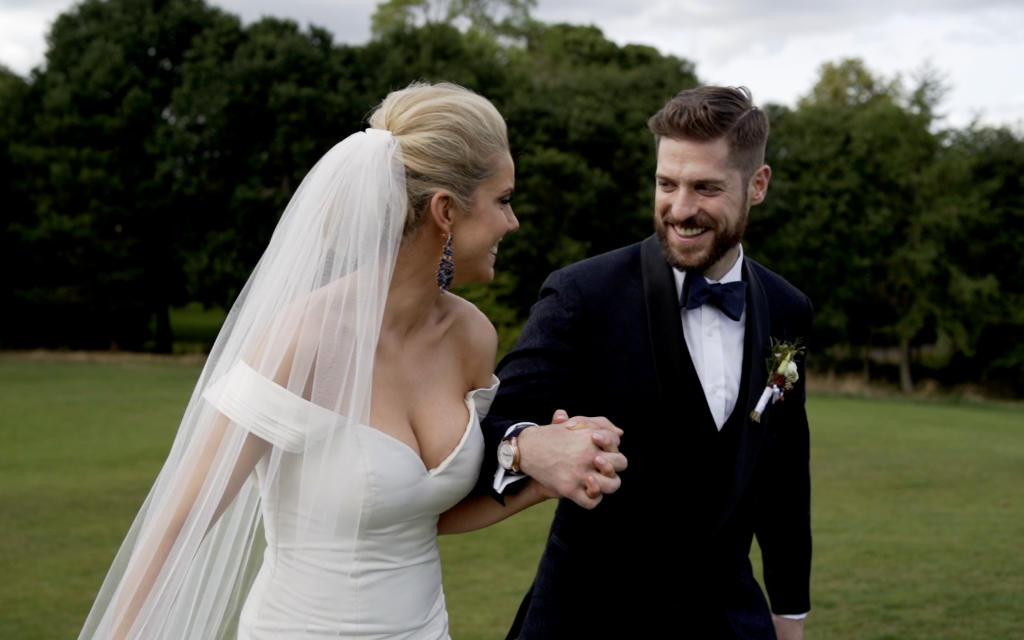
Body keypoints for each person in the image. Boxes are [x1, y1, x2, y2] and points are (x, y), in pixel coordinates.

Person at [77, 82, 625, 640]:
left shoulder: (471, 337)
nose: (513, 223)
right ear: (445, 211)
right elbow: (179, 523)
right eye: (503, 200)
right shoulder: (303, 341)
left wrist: (542, 479)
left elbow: (428, 513)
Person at [479, 86, 813, 639]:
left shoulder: (788, 308)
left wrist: (789, 614)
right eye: (666, 184)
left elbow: (782, 474)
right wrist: (530, 445)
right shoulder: (581, 294)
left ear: (757, 186)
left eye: (706, 187)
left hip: (730, 623)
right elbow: (491, 427)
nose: (680, 209)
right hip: (588, 619)